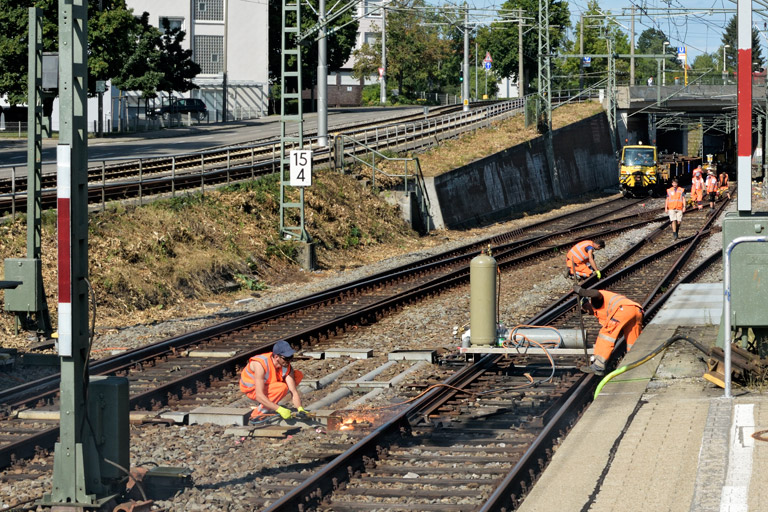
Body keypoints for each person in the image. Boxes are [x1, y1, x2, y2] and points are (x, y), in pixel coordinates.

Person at [573, 285, 644, 376]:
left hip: (622, 310)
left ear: (587, 304)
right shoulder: (603, 304)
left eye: (585, 310)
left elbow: (596, 293)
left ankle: (598, 366)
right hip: (637, 310)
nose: (587, 312)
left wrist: (581, 291)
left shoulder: (595, 301)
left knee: (605, 336)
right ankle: (636, 363)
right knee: (633, 341)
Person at [239, 340, 306, 423]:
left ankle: (269, 404)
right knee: (281, 388)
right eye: (286, 358)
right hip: (252, 389)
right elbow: (259, 395)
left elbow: (293, 391)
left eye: (291, 357)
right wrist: (279, 409)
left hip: (267, 384)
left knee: (297, 376)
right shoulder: (260, 364)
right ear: (277, 357)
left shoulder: (286, 365)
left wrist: (300, 408)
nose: (289, 361)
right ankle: (257, 415)